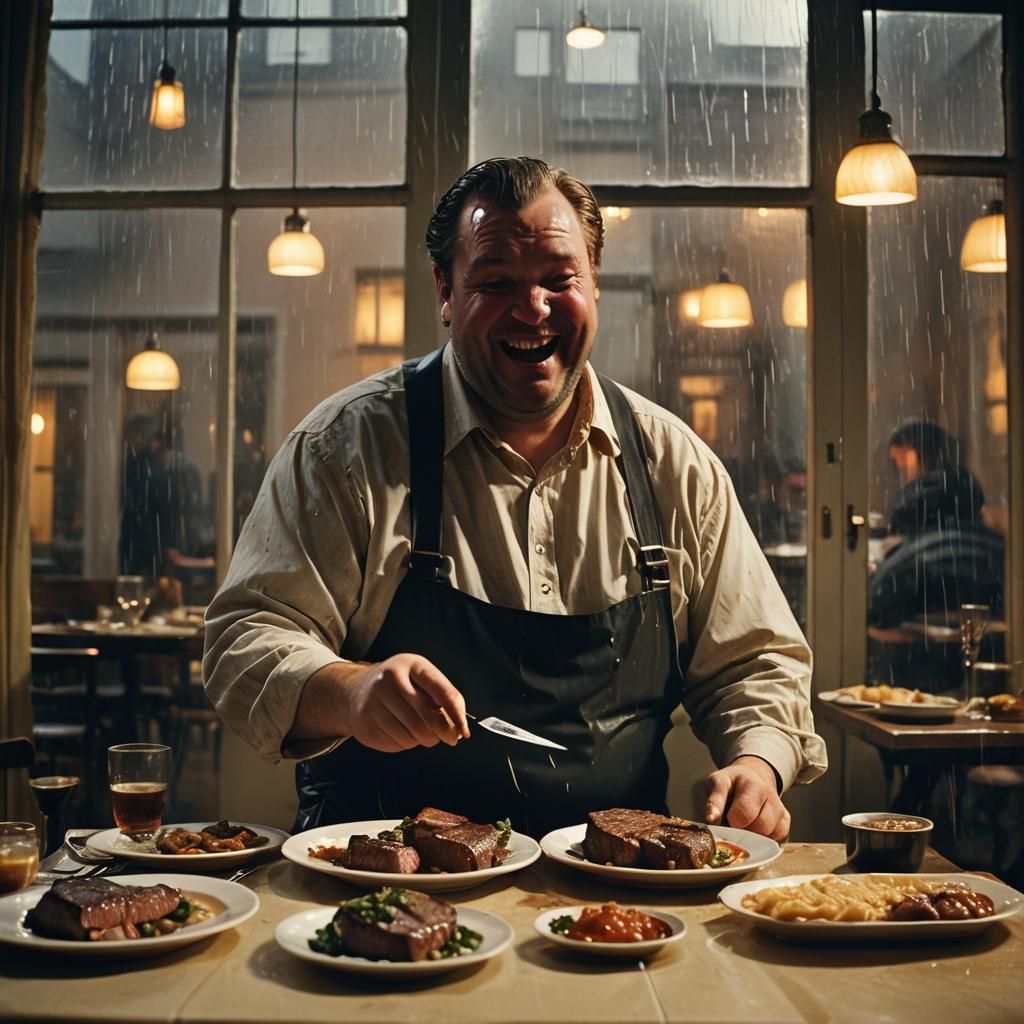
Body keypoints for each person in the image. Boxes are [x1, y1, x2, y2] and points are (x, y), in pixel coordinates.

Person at [203, 157, 826, 839]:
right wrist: (348, 692)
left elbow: (757, 662)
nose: (533, 310)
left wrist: (758, 765)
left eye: (560, 279)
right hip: (381, 894)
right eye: (496, 282)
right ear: (445, 291)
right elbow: (244, 641)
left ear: (595, 283)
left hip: (611, 895)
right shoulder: (344, 450)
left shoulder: (673, 465)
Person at [869, 420, 1004, 631]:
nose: (902, 478)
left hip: (922, 658)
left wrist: (879, 574)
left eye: (903, 466)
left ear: (924, 458)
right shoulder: (998, 551)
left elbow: (876, 608)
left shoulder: (911, 564)